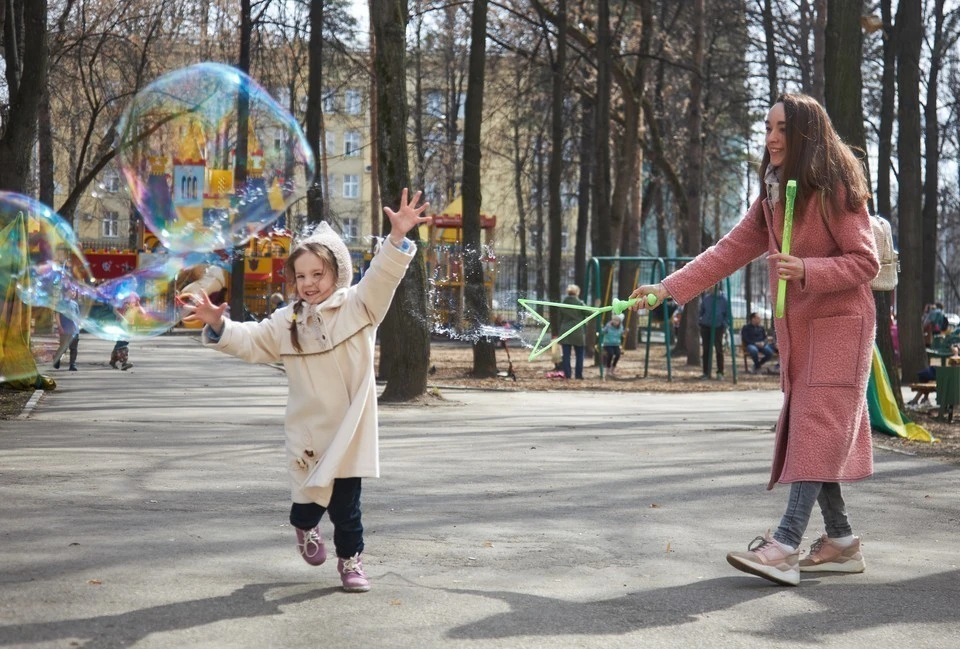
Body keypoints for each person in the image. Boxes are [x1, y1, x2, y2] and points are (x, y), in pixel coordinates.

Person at [631, 93, 880, 586]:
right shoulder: (772, 193)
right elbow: (728, 252)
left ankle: (785, 545)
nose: (771, 137)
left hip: (840, 329)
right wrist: (666, 290)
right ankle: (842, 542)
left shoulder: (834, 187)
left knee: (812, 429)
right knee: (817, 433)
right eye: (768, 127)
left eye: (783, 128)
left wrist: (807, 268)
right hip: (803, 333)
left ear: (807, 133)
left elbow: (865, 261)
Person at [180, 188, 430, 593]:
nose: (309, 284)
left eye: (319, 274)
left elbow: (383, 276)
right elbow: (250, 340)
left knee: (348, 511)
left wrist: (397, 237)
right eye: (301, 276)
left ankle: (350, 563)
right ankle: (305, 527)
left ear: (339, 274)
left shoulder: (360, 307)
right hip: (308, 433)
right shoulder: (286, 321)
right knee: (308, 504)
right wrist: (218, 324)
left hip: (349, 434)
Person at [698, 287, 729, 379]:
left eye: (711, 286)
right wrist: (700, 321)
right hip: (706, 326)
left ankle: (720, 372)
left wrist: (724, 324)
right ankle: (706, 372)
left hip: (718, 327)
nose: (709, 288)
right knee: (706, 350)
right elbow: (701, 311)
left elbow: (727, 314)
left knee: (719, 350)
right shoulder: (707, 299)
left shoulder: (723, 299)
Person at [558, 284, 586, 379]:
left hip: (565, 331)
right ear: (577, 292)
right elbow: (589, 312)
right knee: (580, 355)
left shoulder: (563, 303)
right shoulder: (580, 304)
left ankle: (567, 374)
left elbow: (560, 318)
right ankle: (578, 375)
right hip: (577, 331)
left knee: (566, 355)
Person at [52, 288, 81, 371]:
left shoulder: (75, 304)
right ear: (66, 292)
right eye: (71, 291)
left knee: (73, 348)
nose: (73, 293)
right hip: (64, 329)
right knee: (63, 348)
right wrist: (59, 326)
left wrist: (79, 325)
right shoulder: (61, 303)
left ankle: (72, 365)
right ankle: (56, 358)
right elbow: (57, 315)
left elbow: (77, 316)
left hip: (74, 330)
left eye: (75, 291)